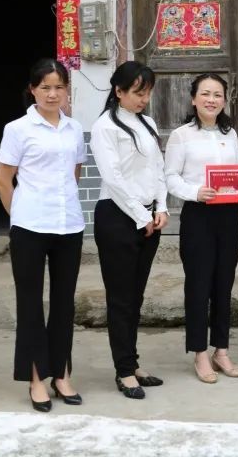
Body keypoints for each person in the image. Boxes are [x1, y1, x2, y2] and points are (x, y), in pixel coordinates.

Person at [0, 58, 87, 412]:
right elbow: (4, 180)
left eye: (59, 87)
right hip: (30, 228)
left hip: (69, 225)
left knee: (64, 303)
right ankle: (36, 378)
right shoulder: (17, 129)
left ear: (67, 91)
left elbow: (74, 173)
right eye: (45, 87)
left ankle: (61, 373)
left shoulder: (74, 129)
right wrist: (19, 216)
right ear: (32, 90)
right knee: (31, 303)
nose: (52, 94)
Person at [165, 73, 238, 384]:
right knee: (198, 285)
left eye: (217, 94)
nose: (211, 100)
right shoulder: (181, 136)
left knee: (223, 285)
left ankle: (221, 350)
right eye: (205, 94)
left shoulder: (229, 134)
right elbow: (171, 177)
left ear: (224, 100)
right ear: (194, 99)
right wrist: (195, 192)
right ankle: (200, 353)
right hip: (198, 216)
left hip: (228, 216)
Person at [90, 61, 169, 400]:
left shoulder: (147, 123)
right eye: (138, 93)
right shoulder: (104, 126)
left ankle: (132, 362)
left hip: (148, 218)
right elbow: (113, 178)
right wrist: (141, 215)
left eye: (147, 93)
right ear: (119, 91)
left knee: (136, 297)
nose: (143, 99)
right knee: (120, 298)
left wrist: (161, 207)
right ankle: (123, 370)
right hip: (117, 218)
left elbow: (158, 168)